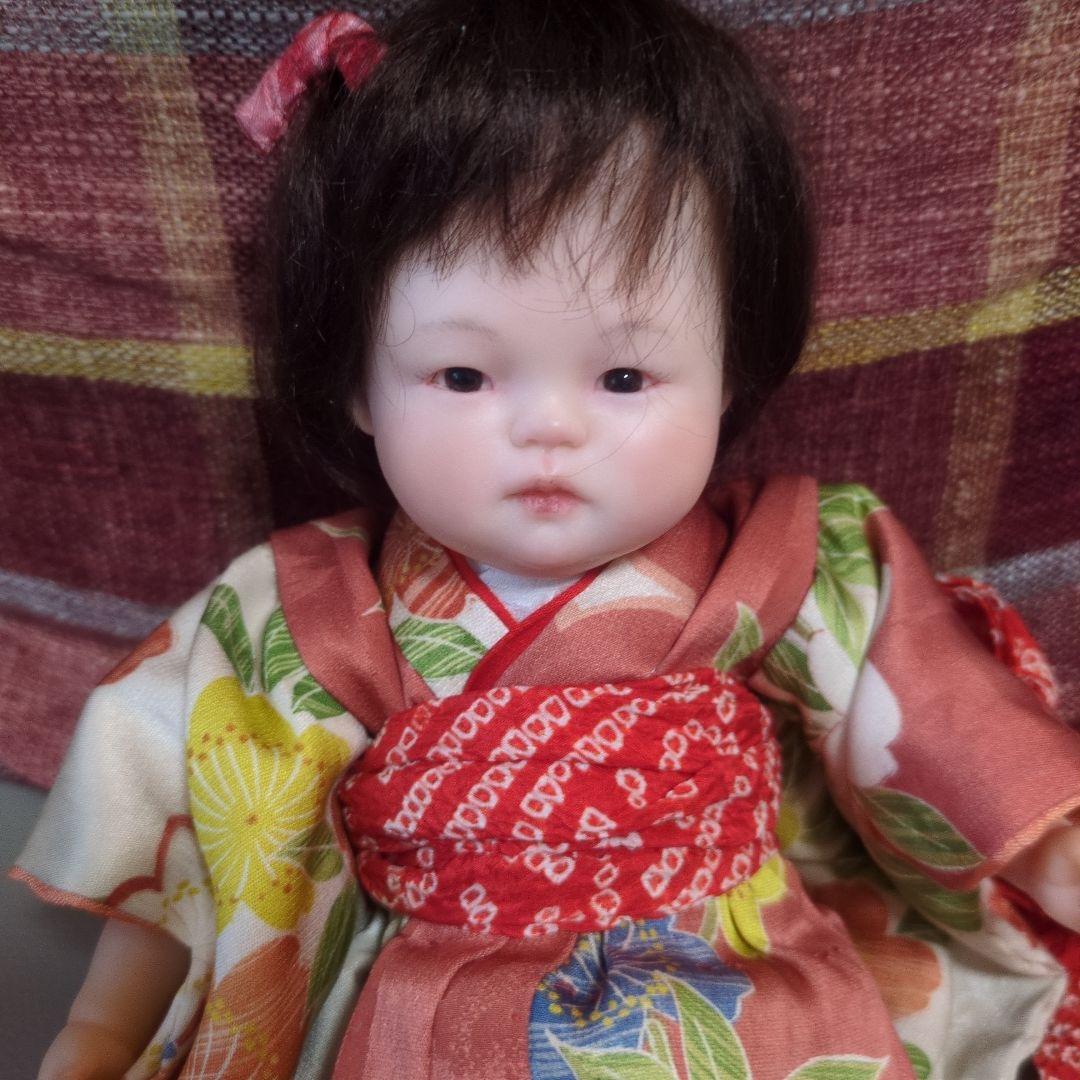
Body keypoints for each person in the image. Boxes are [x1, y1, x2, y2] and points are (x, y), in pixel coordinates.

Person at [14, 2, 1080, 1078]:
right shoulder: (309, 613)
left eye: (623, 375)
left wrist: (1049, 853)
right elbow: (215, 826)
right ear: (358, 384)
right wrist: (107, 1024)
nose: (549, 427)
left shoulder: (784, 561)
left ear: (729, 373)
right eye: (462, 374)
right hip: (434, 1000)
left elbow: (937, 719)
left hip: (740, 979)